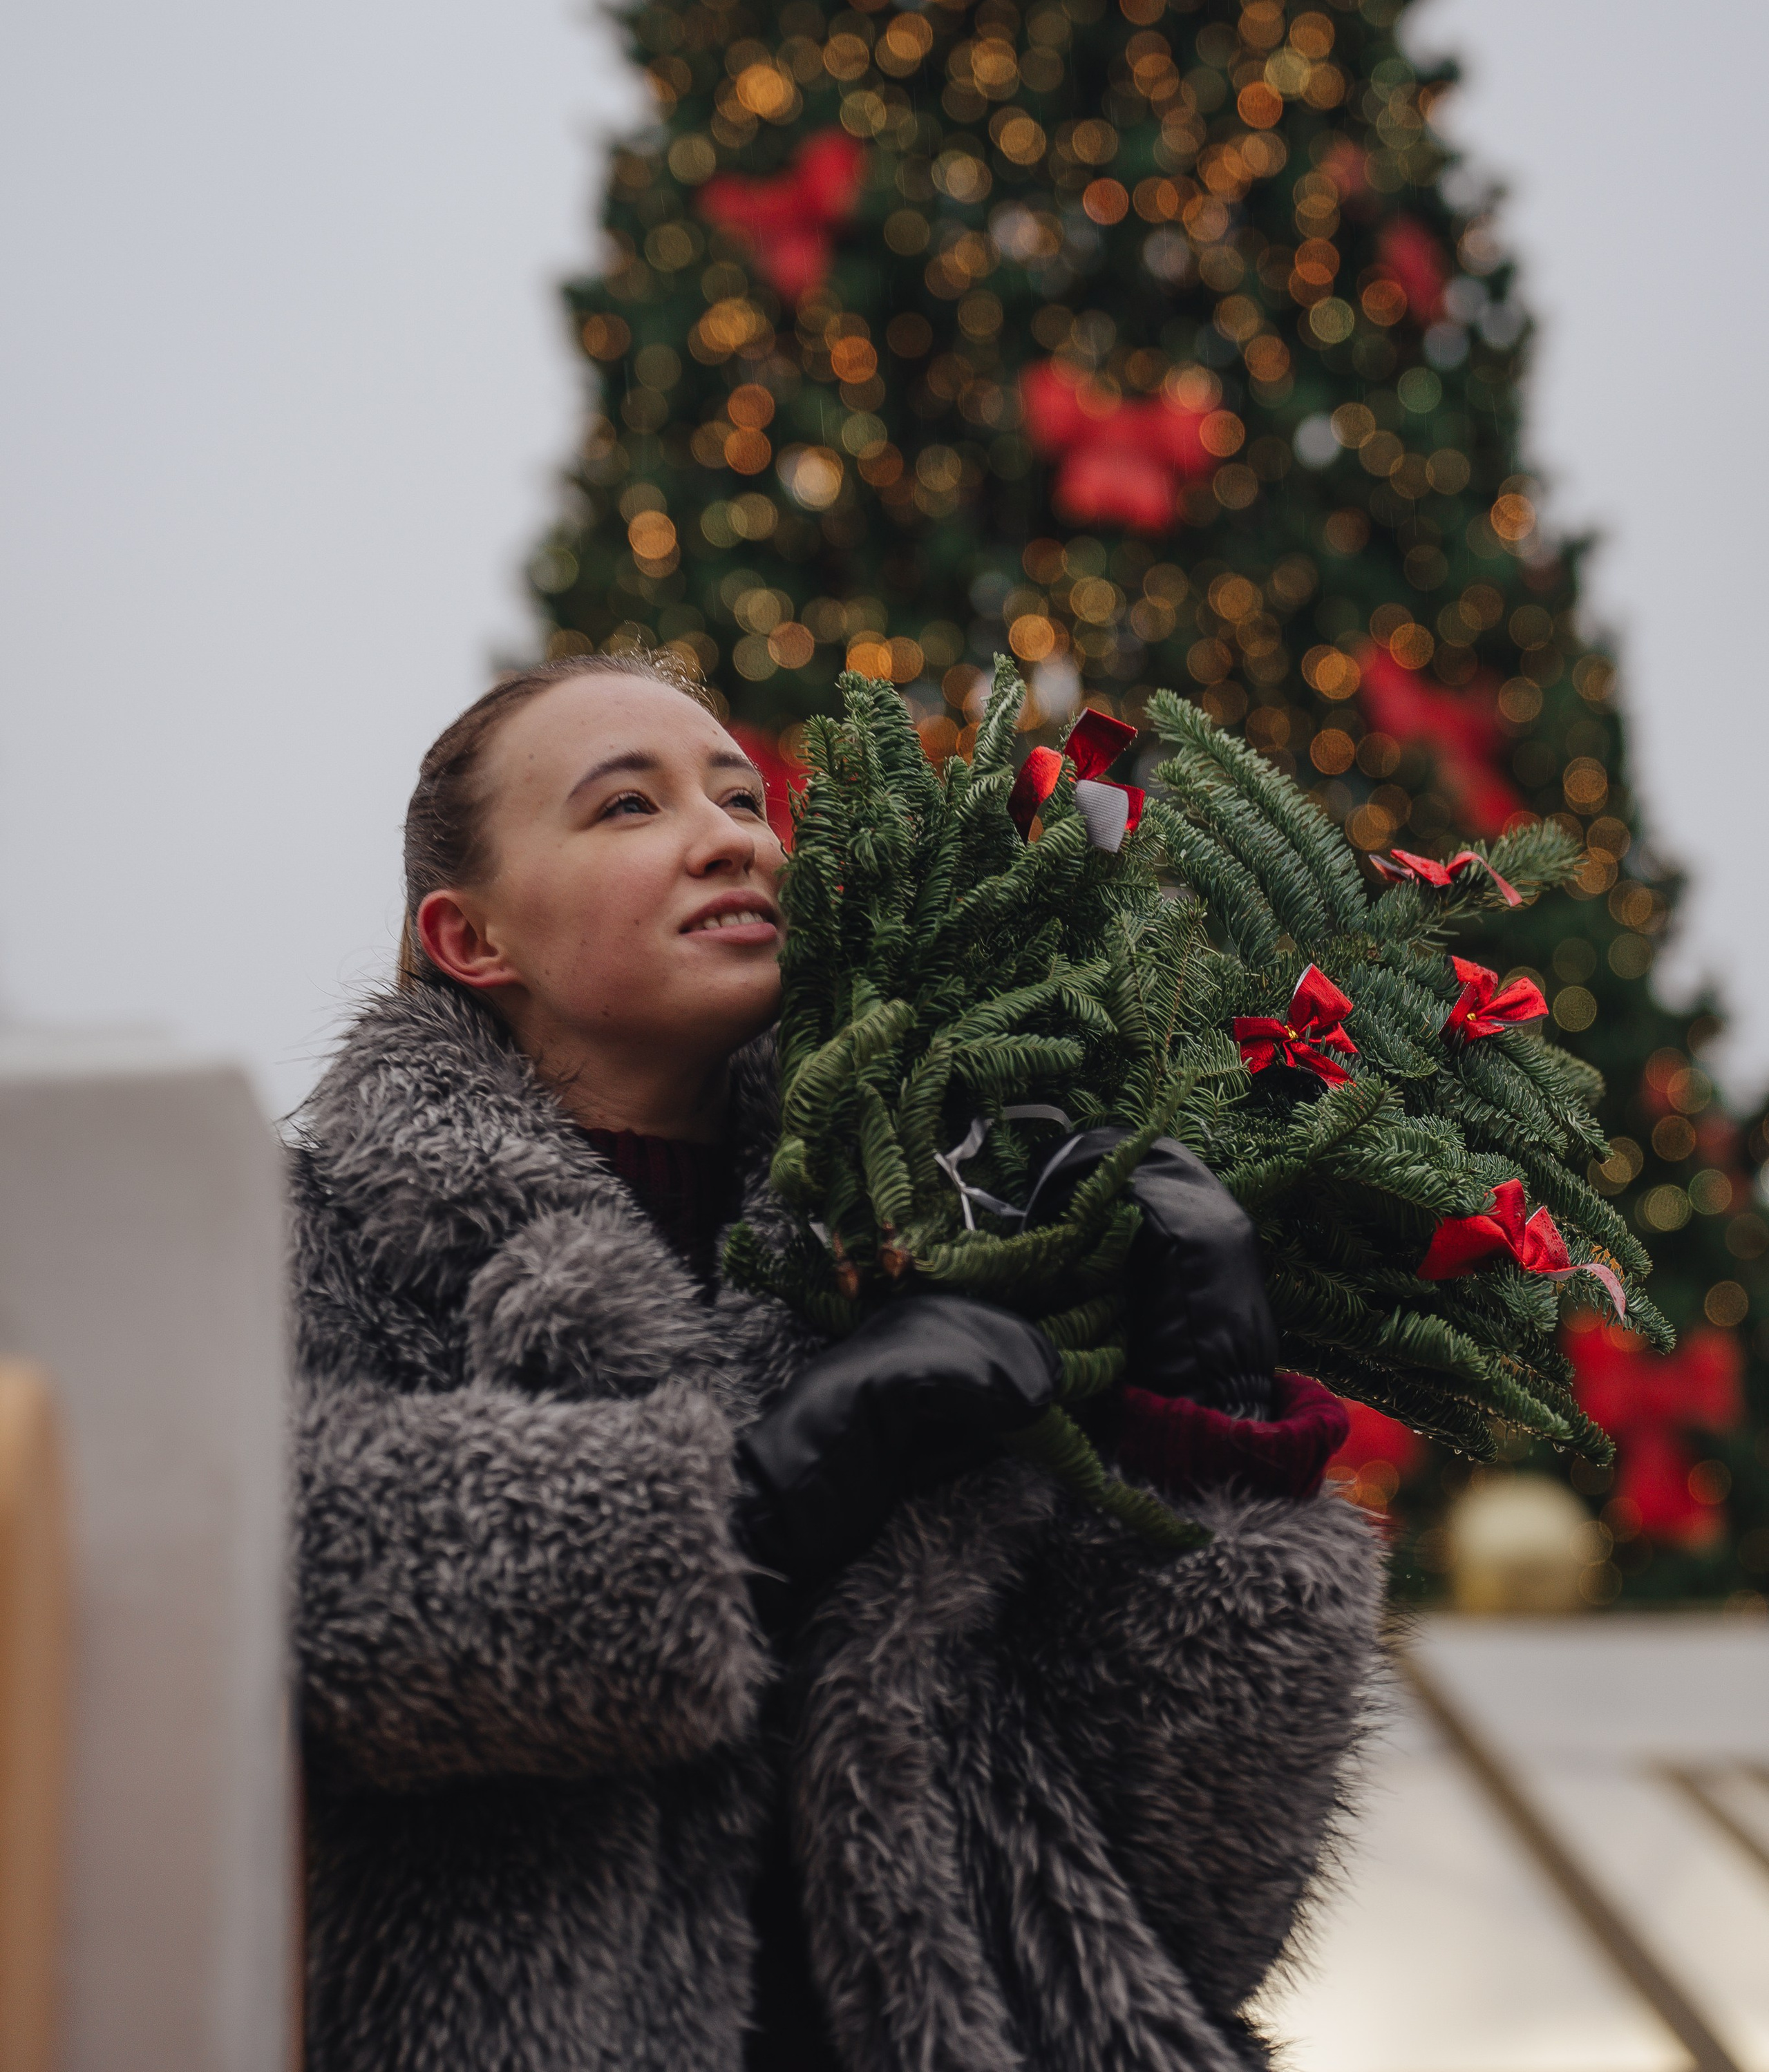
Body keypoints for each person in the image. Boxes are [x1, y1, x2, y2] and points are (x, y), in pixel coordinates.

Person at [292, 652, 1379, 2072]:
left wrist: (1211, 1438)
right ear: (469, 936)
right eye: (629, 806)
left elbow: (1200, 1901)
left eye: (742, 800)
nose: (732, 837)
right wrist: (753, 1504)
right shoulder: (313, 1236)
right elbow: (281, 1583)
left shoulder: (951, 1231)